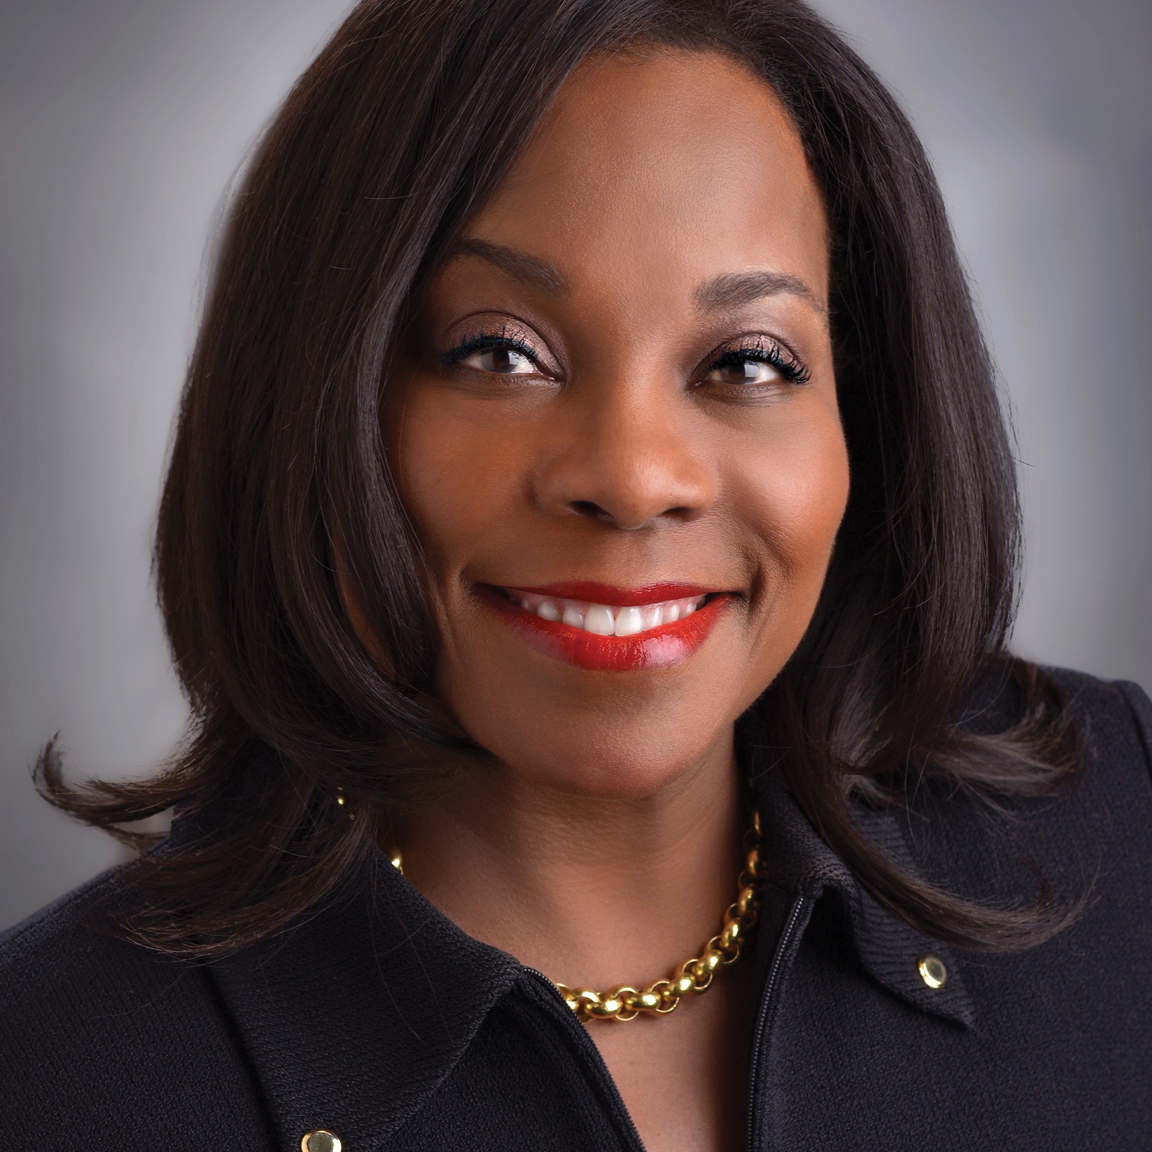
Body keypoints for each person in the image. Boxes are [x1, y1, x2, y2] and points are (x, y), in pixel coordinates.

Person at [2, 0, 1150, 1148]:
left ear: (872, 418)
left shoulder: (1121, 819)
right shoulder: (49, 1079)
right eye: (500, 352)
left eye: (749, 362)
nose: (635, 478)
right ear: (313, 397)